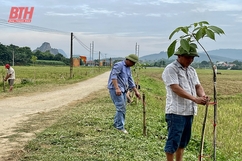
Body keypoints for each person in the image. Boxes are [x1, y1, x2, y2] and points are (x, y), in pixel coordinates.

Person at [162, 49, 209, 161]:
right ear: (179, 56)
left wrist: (203, 96)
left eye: (192, 58)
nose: (191, 60)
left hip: (189, 112)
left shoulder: (192, 70)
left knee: (183, 142)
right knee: (173, 141)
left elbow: (198, 86)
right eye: (188, 57)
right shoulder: (171, 69)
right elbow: (175, 88)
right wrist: (194, 99)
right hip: (176, 112)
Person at [108, 54, 141, 134]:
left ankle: (117, 124)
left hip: (123, 90)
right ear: (129, 60)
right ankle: (120, 127)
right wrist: (117, 88)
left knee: (122, 107)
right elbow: (114, 76)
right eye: (133, 63)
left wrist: (136, 91)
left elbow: (130, 80)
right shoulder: (118, 65)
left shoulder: (128, 68)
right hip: (116, 90)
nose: (133, 65)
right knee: (121, 107)